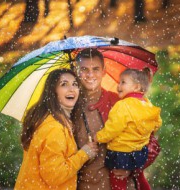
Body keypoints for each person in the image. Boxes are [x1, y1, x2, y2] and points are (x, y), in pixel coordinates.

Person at [15, 69, 98, 189]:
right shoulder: (54, 129)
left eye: (75, 84)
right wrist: (84, 154)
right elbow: (55, 176)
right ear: (53, 91)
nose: (71, 89)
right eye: (64, 84)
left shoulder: (52, 120)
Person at [74, 49, 142, 189]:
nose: (90, 74)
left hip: (121, 185)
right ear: (76, 71)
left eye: (96, 69)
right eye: (84, 69)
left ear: (104, 71)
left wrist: (129, 166)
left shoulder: (121, 102)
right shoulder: (68, 107)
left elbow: (150, 143)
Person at [94, 68, 162, 190]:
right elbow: (157, 123)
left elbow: (113, 128)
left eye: (123, 82)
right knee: (139, 177)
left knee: (117, 180)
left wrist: (99, 137)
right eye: (119, 82)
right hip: (140, 152)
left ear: (136, 87)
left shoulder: (123, 105)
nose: (118, 86)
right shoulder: (147, 103)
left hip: (121, 153)